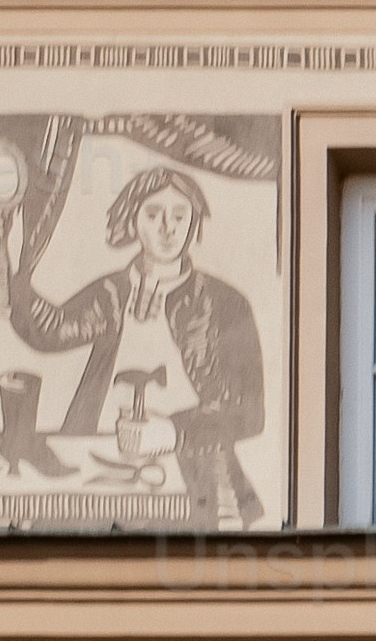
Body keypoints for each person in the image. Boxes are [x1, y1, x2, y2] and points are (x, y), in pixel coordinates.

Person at [18, 164, 266, 523]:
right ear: (133, 220)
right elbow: (52, 330)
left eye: (180, 216)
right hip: (101, 452)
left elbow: (249, 411)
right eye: (153, 214)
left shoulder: (226, 303)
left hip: (196, 465)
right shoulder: (113, 291)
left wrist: (175, 432)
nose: (168, 228)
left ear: (193, 223)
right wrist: (12, 281)